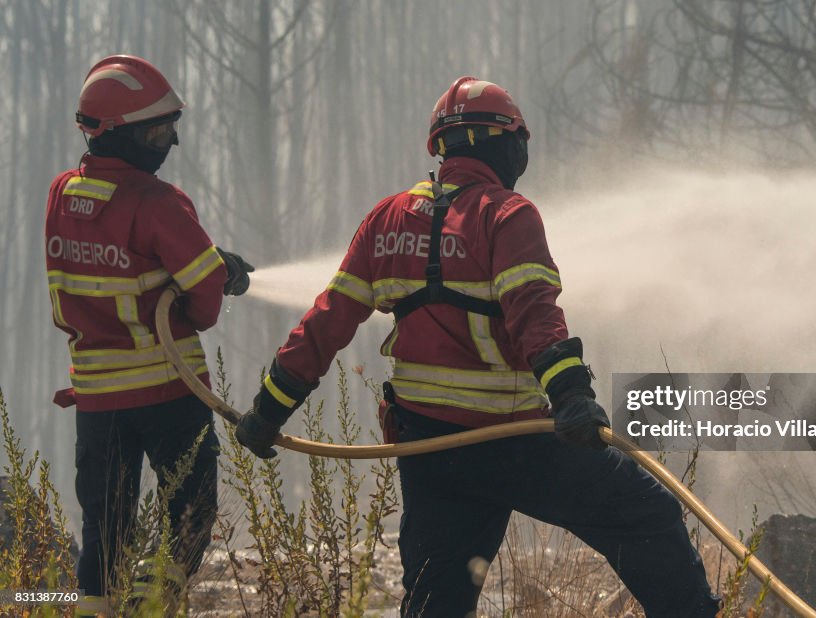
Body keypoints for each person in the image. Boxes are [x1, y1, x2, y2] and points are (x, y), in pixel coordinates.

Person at [235, 76, 720, 617]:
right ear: (505, 143)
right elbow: (534, 313)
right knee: (644, 513)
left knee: (435, 604)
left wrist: (268, 409)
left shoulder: (386, 220)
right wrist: (571, 395)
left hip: (431, 450)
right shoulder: (507, 215)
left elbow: (327, 322)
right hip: (513, 440)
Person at [45, 55, 253, 614]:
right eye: (159, 130)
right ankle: (149, 606)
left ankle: (97, 607)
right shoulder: (158, 202)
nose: (171, 142)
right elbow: (205, 301)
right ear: (119, 135)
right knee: (190, 512)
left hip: (97, 401)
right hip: (167, 395)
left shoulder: (62, 195)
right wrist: (220, 272)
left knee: (104, 531)